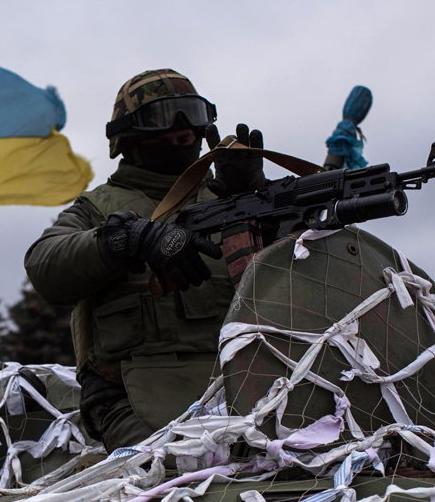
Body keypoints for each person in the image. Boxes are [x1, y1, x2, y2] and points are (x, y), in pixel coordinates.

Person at [25, 69, 267, 452]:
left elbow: (295, 276)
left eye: (190, 114)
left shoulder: (223, 198)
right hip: (133, 398)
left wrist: (256, 205)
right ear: (129, 138)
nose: (180, 129)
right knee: (186, 474)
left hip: (246, 387)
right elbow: (44, 265)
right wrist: (128, 240)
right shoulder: (100, 208)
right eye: (162, 118)